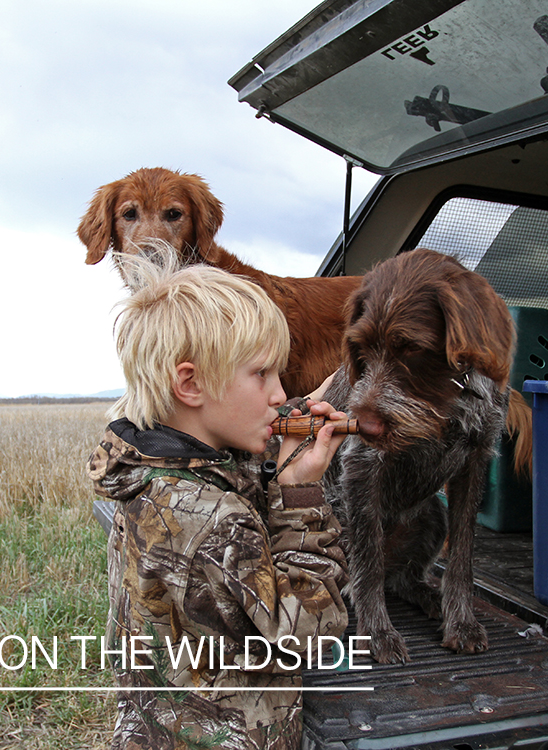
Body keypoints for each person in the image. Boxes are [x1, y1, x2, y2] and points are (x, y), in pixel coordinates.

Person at [88, 250, 349, 750]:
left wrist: (290, 423)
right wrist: (300, 498)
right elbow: (306, 633)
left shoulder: (144, 472)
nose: (279, 393)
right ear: (190, 383)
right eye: (262, 375)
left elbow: (225, 472)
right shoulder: (217, 521)